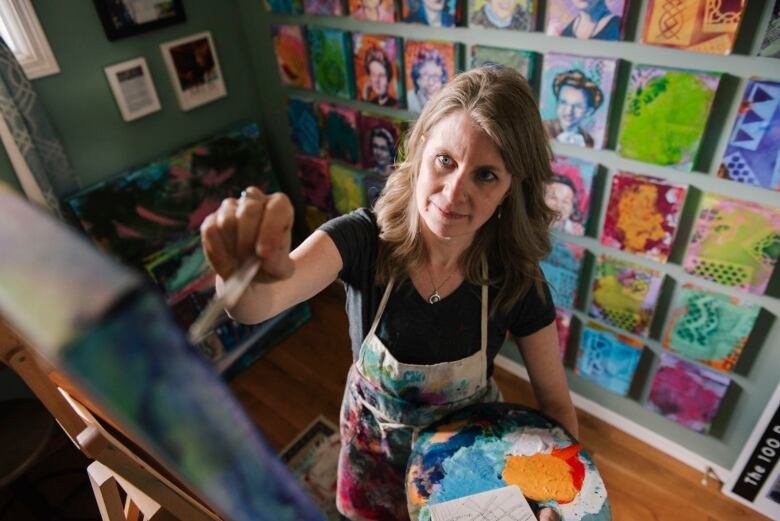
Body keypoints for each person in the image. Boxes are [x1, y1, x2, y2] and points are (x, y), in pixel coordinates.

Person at [201, 66, 576, 521]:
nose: (454, 192)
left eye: (485, 175)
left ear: (509, 189)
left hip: (463, 471)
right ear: (418, 152)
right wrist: (241, 274)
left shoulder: (517, 279)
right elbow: (259, 304)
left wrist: (558, 496)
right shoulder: (361, 240)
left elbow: (554, 405)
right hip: (370, 459)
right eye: (445, 161)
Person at [544, 69, 603, 148]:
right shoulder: (543, 128)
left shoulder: (588, 140)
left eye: (578, 106)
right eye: (563, 103)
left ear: (589, 111)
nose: (569, 111)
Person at [407, 46, 448, 113]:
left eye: (436, 76)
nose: (431, 82)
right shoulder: (409, 98)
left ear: (442, 78)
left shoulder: (448, 100)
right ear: (417, 79)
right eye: (426, 76)